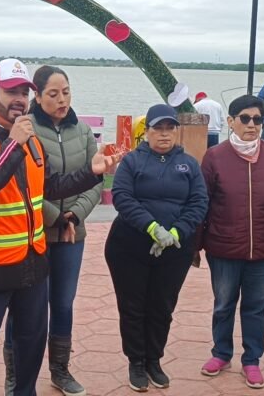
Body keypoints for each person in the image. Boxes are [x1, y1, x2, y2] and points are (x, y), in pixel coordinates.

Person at [0, 58, 118, 396]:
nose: (20, 100)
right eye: (11, 92)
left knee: (31, 347)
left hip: (31, 266)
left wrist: (91, 173)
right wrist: (13, 144)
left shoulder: (30, 140)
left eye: (24, 93)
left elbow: (49, 187)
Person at [1, 66, 102, 396]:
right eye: (53, 94)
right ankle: (15, 375)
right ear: (38, 96)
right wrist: (56, 218)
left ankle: (60, 369)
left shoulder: (83, 132)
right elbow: (24, 184)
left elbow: (94, 179)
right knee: (25, 307)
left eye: (66, 92)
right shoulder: (25, 130)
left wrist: (74, 216)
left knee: (63, 304)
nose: (62, 100)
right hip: (34, 234)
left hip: (72, 235)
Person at [105, 103, 208, 392]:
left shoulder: (189, 164)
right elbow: (122, 197)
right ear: (147, 132)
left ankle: (154, 360)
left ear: (177, 131)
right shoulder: (132, 162)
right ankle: (136, 361)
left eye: (169, 128)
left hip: (174, 249)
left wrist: (175, 232)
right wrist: (152, 228)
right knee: (133, 306)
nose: (164, 134)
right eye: (157, 128)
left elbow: (199, 202)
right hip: (129, 247)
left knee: (162, 306)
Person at [198, 95, 264, 389]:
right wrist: (195, 245)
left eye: (257, 119)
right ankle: (221, 353)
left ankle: (251, 360)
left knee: (257, 307)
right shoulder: (214, 157)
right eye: (245, 118)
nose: (251, 125)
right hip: (223, 247)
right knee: (223, 304)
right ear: (230, 122)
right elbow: (201, 202)